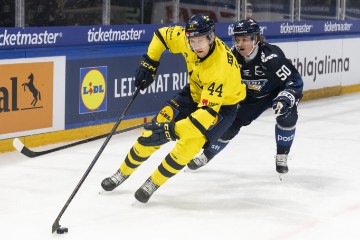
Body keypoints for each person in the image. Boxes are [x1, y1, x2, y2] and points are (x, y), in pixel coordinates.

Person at [101, 14, 246, 203]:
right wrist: (150, 62)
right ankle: (122, 173)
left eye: (200, 40)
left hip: (221, 108)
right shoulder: (187, 40)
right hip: (194, 93)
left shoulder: (220, 68)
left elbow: (207, 113)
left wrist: (173, 131)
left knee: (188, 146)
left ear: (211, 37)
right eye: (192, 41)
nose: (196, 46)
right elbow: (161, 36)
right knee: (153, 132)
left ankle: (153, 183)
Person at [187, 20, 303, 177]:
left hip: (276, 92)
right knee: (228, 125)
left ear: (255, 39)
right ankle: (207, 155)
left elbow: (294, 80)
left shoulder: (271, 58)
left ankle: (282, 155)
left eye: (245, 39)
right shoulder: (231, 57)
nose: (240, 43)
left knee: (287, 115)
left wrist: (285, 98)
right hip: (250, 98)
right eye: (237, 39)